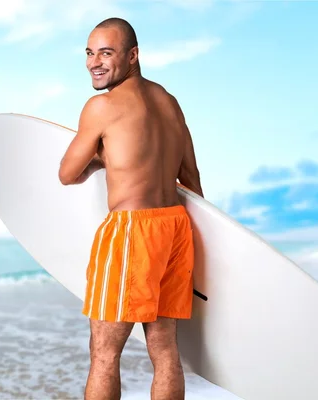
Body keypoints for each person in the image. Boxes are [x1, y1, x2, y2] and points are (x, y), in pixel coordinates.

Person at [58, 16, 204, 400]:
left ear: (133, 55)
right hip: (175, 226)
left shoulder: (101, 107)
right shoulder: (170, 103)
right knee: (164, 348)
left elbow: (67, 174)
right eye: (89, 53)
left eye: (106, 53)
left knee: (104, 352)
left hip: (130, 231)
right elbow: (192, 181)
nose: (94, 63)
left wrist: (103, 158)